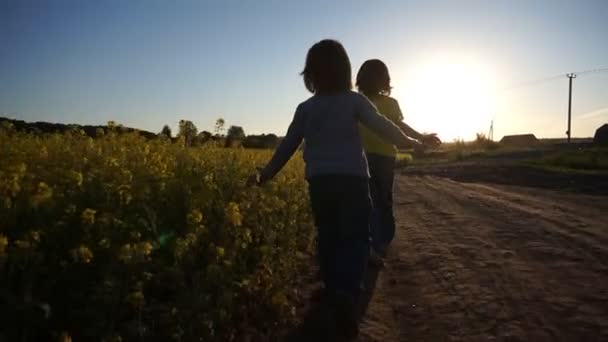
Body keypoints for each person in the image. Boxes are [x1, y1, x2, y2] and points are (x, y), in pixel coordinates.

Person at [249, 40, 422, 339]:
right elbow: (383, 127)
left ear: (310, 74)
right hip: (353, 181)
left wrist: (265, 175)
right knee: (355, 238)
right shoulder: (354, 102)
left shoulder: (305, 108)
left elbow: (287, 146)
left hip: (320, 182)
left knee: (328, 236)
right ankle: (346, 295)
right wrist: (413, 143)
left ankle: (331, 290)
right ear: (346, 71)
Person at [356, 59, 441, 260]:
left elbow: (400, 127)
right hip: (368, 158)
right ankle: (374, 245)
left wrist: (421, 137)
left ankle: (378, 244)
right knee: (374, 202)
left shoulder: (378, 103)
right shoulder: (359, 102)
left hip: (376, 158)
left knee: (378, 201)